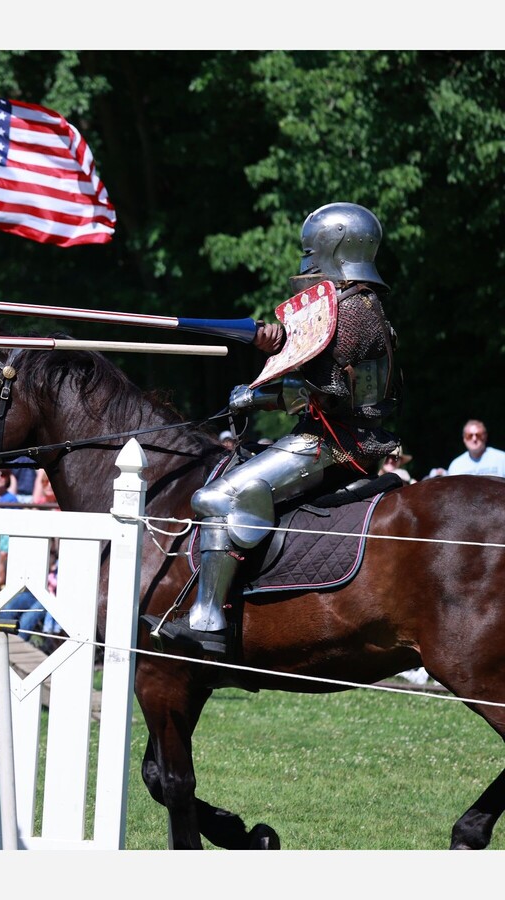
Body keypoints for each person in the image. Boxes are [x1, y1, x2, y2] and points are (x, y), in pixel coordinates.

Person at [145, 202, 400, 657]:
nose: (306, 261)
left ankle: (208, 622)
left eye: (311, 250)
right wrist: (278, 343)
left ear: (333, 247)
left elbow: (331, 392)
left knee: (216, 497)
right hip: (335, 435)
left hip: (336, 442)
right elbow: (317, 360)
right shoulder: (353, 304)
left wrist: (257, 395)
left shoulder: (356, 309)